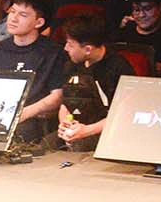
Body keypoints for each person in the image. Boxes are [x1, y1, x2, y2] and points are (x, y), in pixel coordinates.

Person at [0, 0, 67, 144]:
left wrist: (22, 113)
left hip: (33, 119)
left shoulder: (53, 53)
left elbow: (57, 96)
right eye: (12, 11)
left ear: (38, 22)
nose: (13, 18)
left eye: (23, 15)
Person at [55, 13, 136, 151]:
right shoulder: (71, 65)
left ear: (88, 49)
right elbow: (66, 103)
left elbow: (125, 112)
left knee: (80, 146)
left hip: (107, 130)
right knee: (45, 145)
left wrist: (86, 131)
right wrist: (65, 123)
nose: (65, 48)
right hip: (78, 127)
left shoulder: (119, 68)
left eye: (70, 44)